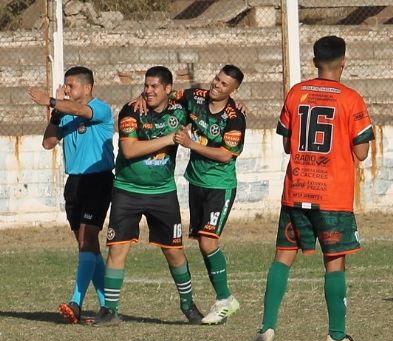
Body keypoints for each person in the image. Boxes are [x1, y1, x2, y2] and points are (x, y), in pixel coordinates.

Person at [249, 35, 374, 341]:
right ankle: (336, 335)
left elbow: (288, 143)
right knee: (334, 262)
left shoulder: (297, 93)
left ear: (315, 61)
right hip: (332, 195)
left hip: (297, 189)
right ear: (343, 61)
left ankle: (267, 328)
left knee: (282, 258)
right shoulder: (350, 98)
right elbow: (361, 152)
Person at [93, 66, 203, 326]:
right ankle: (110, 310)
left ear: (168, 89)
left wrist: (236, 104)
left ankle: (188, 305)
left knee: (174, 252)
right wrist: (170, 139)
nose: (148, 91)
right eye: (146, 86)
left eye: (155, 87)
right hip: (127, 190)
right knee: (117, 249)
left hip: (163, 192)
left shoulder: (180, 109)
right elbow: (129, 151)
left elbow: (210, 102)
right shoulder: (132, 110)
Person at [28, 66, 114, 324]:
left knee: (88, 238)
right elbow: (48, 143)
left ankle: (76, 303)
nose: (67, 90)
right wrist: (55, 114)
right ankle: (107, 306)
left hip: (97, 180)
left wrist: (53, 100)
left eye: (71, 86)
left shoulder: (100, 108)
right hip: (74, 182)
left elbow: (79, 110)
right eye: (65, 86)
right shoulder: (66, 114)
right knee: (86, 245)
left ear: (87, 88)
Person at [171, 65, 247, 325]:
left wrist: (191, 143)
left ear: (233, 91)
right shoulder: (195, 97)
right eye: (217, 78)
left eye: (224, 84)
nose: (217, 85)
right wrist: (140, 98)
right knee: (203, 243)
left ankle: (226, 299)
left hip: (219, 185)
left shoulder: (235, 117)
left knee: (207, 240)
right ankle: (223, 299)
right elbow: (168, 95)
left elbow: (226, 154)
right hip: (196, 181)